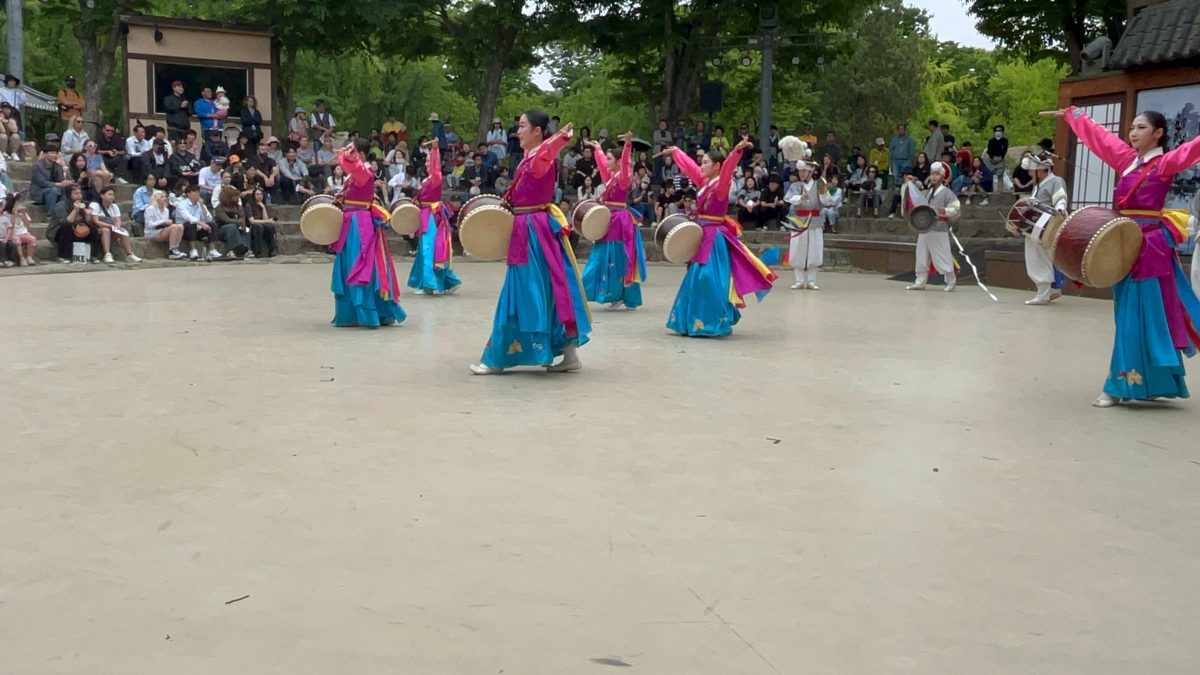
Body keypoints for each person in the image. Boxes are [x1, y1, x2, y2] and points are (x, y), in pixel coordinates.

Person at [1057, 106, 1200, 407]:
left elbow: (1192, 149)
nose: (1133, 133)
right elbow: (1100, 139)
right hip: (1123, 242)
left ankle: (1118, 385)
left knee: (1137, 317)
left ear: (1158, 133)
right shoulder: (1126, 161)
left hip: (1149, 248)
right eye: (1132, 128)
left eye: (1141, 128)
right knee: (1130, 314)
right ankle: (1154, 382)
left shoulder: (1164, 164)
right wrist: (1074, 116)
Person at [471, 111, 588, 374]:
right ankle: (568, 354)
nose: (518, 130)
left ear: (538, 131)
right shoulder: (529, 158)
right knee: (550, 288)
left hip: (532, 230)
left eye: (522, 126)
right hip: (534, 228)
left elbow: (547, 153)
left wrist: (559, 138)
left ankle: (498, 357)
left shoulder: (540, 158)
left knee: (521, 289)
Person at [653, 136, 776, 336]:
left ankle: (712, 321)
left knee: (709, 278)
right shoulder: (704, 182)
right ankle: (691, 321)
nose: (701, 166)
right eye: (702, 163)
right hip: (702, 234)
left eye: (706, 163)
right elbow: (690, 167)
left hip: (714, 237)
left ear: (717, 166)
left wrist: (736, 151)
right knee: (696, 277)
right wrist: (677, 152)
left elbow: (728, 170)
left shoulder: (721, 185)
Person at [329, 139, 405, 327]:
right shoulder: (354, 175)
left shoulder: (365, 171)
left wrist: (346, 154)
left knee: (359, 263)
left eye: (354, 150)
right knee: (348, 263)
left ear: (360, 153)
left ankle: (366, 312)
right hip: (349, 221)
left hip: (359, 223)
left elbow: (351, 165)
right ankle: (349, 314)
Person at [582, 132, 646, 310]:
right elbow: (602, 164)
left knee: (619, 258)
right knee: (600, 256)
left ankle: (620, 294)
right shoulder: (610, 177)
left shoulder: (624, 177)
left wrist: (627, 146)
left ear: (618, 162)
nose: (607, 162)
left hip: (619, 221)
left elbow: (626, 163)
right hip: (609, 218)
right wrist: (597, 149)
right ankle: (588, 292)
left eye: (610, 159)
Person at [406, 140, 461, 296]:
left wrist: (435, 151)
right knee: (430, 249)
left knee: (429, 248)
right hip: (427, 213)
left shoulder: (436, 176)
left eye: (431, 161)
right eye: (428, 160)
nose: (428, 163)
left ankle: (430, 284)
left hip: (431, 215)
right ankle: (448, 281)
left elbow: (437, 167)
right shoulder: (429, 178)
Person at [1020, 152, 1068, 306]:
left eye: (1031, 170)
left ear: (1040, 170)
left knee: (1040, 258)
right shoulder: (1038, 184)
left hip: (1046, 226)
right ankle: (1048, 291)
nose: (1029, 173)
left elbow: (1060, 198)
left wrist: (1061, 208)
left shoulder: (1056, 181)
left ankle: (1043, 293)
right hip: (1036, 226)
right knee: (1038, 257)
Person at [904, 161, 958, 291]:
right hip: (925, 227)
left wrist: (944, 210)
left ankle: (951, 280)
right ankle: (920, 281)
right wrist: (911, 183)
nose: (934, 177)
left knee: (942, 254)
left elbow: (956, 208)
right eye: (932, 174)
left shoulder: (947, 192)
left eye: (937, 174)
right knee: (921, 254)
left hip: (939, 226)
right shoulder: (928, 192)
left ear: (942, 176)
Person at [785, 160, 834, 289]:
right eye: (800, 171)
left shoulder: (819, 184)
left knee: (814, 248)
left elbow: (827, 202)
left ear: (810, 172)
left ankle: (812, 280)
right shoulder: (796, 185)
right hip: (799, 219)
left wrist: (823, 193)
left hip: (815, 219)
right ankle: (799, 280)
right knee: (798, 249)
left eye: (804, 171)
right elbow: (790, 199)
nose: (801, 173)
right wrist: (800, 198)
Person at [47, 186, 102, 263]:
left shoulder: (83, 204)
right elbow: (65, 222)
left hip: (77, 228)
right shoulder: (61, 205)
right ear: (69, 194)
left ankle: (92, 255)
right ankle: (63, 256)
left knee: (93, 229)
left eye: (80, 193)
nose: (79, 195)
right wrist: (75, 209)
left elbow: (87, 222)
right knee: (66, 228)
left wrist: (88, 215)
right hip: (58, 231)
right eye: (76, 193)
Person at [89, 186, 141, 264]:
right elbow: (96, 221)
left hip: (112, 228)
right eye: (109, 194)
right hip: (98, 229)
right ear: (102, 195)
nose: (112, 197)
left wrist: (118, 227)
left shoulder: (114, 206)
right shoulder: (95, 205)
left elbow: (118, 220)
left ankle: (129, 254)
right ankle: (107, 254)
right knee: (105, 230)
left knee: (123, 231)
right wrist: (110, 226)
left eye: (113, 195)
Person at [174, 184, 220, 261]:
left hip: (197, 230)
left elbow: (209, 218)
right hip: (184, 231)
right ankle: (193, 250)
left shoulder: (200, 204)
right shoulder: (181, 204)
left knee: (212, 224)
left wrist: (202, 206)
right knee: (191, 224)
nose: (197, 193)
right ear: (188, 194)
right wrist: (202, 224)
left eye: (198, 191)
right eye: (194, 192)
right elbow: (189, 218)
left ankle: (212, 250)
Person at [142, 189, 188, 260]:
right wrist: (163, 222)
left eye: (165, 197)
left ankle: (175, 248)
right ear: (156, 199)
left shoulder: (166, 210)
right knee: (174, 227)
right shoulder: (150, 209)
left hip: (161, 230)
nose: (165, 199)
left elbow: (165, 225)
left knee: (180, 226)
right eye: (162, 197)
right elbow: (149, 225)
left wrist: (166, 223)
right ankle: (171, 251)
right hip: (151, 232)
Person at [30, 144, 73, 214]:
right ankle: (51, 214)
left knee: (68, 189)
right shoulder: (37, 166)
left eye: (56, 153)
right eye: (52, 153)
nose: (55, 155)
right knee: (53, 190)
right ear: (45, 154)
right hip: (40, 191)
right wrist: (58, 184)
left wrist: (67, 182)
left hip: (56, 188)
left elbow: (61, 180)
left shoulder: (58, 166)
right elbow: (42, 182)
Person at [1, 194, 38, 266]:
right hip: (13, 234)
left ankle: (29, 257)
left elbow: (28, 224)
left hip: (23, 233)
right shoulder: (6, 214)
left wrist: (24, 214)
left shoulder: (23, 213)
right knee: (17, 241)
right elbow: (11, 226)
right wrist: (14, 215)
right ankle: (21, 258)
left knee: (32, 239)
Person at [214, 186, 250, 259]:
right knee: (231, 226)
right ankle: (232, 249)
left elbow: (242, 218)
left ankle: (246, 249)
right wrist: (238, 221)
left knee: (246, 229)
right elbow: (226, 220)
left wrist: (242, 223)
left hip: (236, 227)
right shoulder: (219, 208)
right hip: (222, 230)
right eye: (235, 196)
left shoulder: (238, 207)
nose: (237, 198)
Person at [245, 186, 277, 258]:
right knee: (259, 227)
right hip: (251, 226)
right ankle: (257, 251)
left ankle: (271, 250)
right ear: (253, 195)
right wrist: (268, 220)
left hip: (261, 224)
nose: (259, 196)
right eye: (257, 194)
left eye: (261, 194)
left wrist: (263, 208)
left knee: (269, 227)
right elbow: (252, 221)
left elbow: (265, 219)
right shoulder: (249, 205)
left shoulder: (261, 205)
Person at [986, 124, 1009, 191]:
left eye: (1000, 130)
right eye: (996, 130)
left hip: (1001, 159)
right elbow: (989, 150)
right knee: (991, 176)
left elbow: (1005, 150)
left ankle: (1000, 191)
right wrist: (992, 158)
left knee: (1000, 176)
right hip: (991, 160)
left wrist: (1001, 157)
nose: (998, 132)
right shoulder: (991, 141)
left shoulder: (1005, 140)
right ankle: (992, 190)